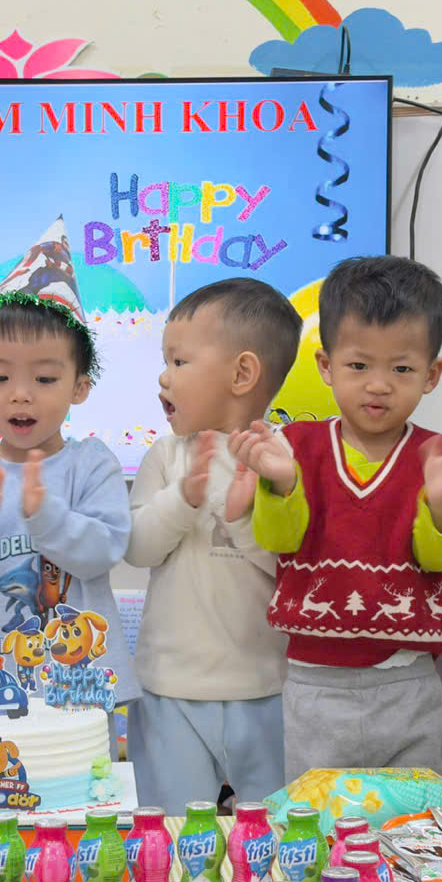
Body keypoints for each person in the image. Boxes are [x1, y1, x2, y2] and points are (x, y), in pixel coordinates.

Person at [233, 255, 442, 775]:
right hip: (315, 683)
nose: (379, 385)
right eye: (359, 365)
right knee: (319, 812)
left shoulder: (441, 456)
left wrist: (441, 500)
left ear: (432, 374)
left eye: (402, 368)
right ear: (326, 366)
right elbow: (279, 539)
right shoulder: (294, 446)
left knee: (411, 811)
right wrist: (281, 482)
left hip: (409, 679)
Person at [126, 278, 298, 810]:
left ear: (242, 374)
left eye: (179, 361)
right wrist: (183, 498)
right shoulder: (167, 455)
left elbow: (291, 568)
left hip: (265, 687)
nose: (164, 376)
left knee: (272, 830)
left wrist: (243, 517)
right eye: (166, 361)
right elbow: (138, 548)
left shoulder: (281, 458)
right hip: (169, 687)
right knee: (174, 831)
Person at [0, 278, 136, 706]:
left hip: (81, 680)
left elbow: (103, 552)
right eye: (0, 377)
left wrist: (47, 518)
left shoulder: (91, 464)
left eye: (44, 378)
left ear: (79, 386)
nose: (20, 395)